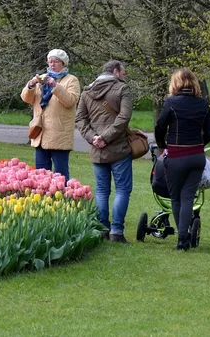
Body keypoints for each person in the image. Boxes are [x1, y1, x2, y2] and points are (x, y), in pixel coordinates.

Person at [154, 68, 210, 251]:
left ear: (176, 83)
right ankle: (185, 237)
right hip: (197, 157)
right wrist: (199, 145)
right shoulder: (203, 104)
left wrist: (163, 145)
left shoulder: (171, 102)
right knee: (188, 195)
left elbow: (160, 127)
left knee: (176, 198)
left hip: (176, 156)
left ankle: (181, 239)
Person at [75, 60, 133, 243]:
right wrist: (105, 137)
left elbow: (80, 120)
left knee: (101, 191)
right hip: (118, 149)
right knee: (122, 189)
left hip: (97, 150)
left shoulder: (86, 92)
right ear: (115, 71)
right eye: (122, 72)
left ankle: (102, 230)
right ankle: (116, 231)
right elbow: (124, 117)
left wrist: (93, 138)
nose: (123, 76)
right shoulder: (123, 89)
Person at [21, 49, 80, 181]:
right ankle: (44, 199)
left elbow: (70, 101)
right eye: (50, 61)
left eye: (56, 61)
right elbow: (26, 99)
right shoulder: (41, 79)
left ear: (63, 63)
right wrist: (30, 85)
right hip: (40, 133)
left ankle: (62, 199)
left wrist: (55, 85)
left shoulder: (71, 80)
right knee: (41, 175)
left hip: (59, 135)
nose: (52, 64)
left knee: (60, 175)